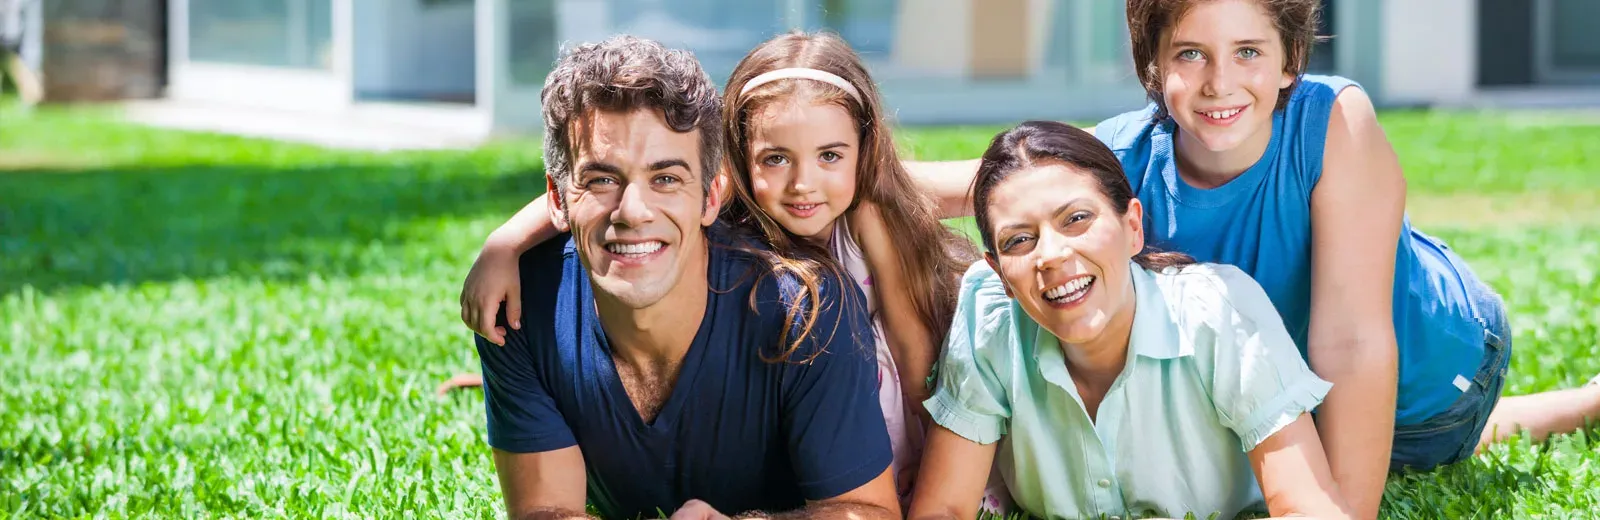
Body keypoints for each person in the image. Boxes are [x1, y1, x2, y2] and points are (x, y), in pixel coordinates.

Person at [903, 0, 1600, 517]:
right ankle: (1585, 402)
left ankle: (1557, 407)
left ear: (1290, 60)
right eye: (1190, 54)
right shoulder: (1128, 153)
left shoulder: (1331, 120)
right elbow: (996, 185)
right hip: (1284, 384)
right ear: (1153, 66)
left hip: (1433, 369)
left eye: (1248, 52)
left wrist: (1345, 508)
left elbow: (1354, 344)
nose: (1219, 82)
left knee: (1425, 446)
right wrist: (827, 172)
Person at [455, 31, 982, 509]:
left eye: (830, 156)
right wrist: (502, 245)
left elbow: (1002, 185)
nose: (803, 183)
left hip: (902, 409)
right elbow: (589, 184)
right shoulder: (533, 301)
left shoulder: (862, 221)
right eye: (776, 159)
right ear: (735, 169)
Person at [907, 120, 1352, 520]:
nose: (1053, 255)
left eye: (1076, 219)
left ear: (1132, 227)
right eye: (1020, 240)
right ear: (1000, 271)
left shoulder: (1220, 311)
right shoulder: (991, 316)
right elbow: (943, 508)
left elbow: (1306, 506)